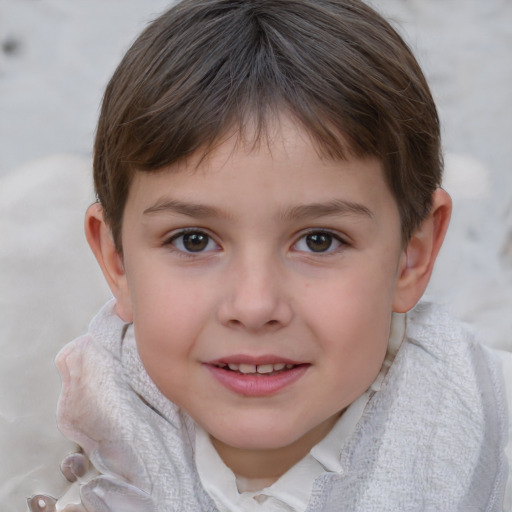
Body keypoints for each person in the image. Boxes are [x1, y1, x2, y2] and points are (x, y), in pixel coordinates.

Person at [28, 0, 511, 510]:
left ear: (412, 256)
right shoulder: (62, 456)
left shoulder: (494, 441)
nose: (255, 306)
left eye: (319, 240)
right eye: (193, 240)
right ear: (117, 260)